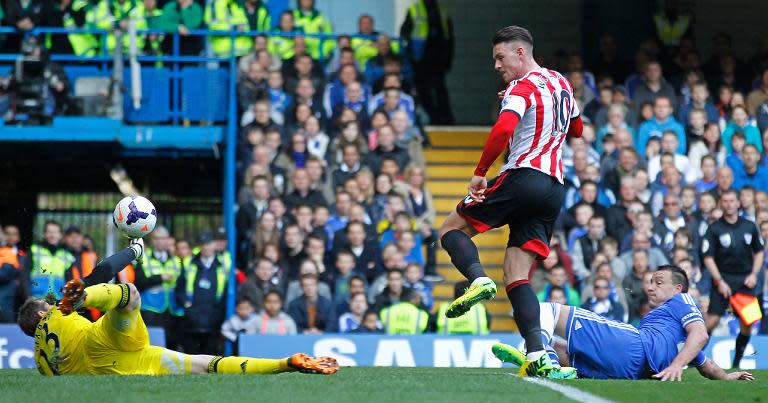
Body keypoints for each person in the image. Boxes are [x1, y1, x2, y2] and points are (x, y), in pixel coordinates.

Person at [438, 26, 582, 378]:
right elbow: (577, 130)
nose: (496, 65)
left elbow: (503, 129)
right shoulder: (561, 83)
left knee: (450, 229)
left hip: (523, 176)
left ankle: (475, 280)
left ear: (521, 54)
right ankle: (539, 353)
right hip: (553, 189)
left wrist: (480, 170)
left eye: (500, 58)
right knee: (517, 275)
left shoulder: (522, 86)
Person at [17, 241, 337, 376]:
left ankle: (285, 363)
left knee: (198, 365)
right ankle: (86, 298)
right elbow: (102, 271)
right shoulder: (57, 311)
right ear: (43, 311)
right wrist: (133, 250)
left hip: (119, 367)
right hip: (102, 342)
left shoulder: (40, 362)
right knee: (128, 294)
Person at [492, 265, 753, 381]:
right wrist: (728, 378)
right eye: (650, 282)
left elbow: (701, 334)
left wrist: (675, 366)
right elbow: (707, 366)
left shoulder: (683, 299)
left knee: (548, 310)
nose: (651, 288)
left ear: (678, 287)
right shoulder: (677, 337)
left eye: (658, 282)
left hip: (633, 346)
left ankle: (534, 352)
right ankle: (540, 354)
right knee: (563, 353)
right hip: (629, 371)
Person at [700, 189, 764, 368]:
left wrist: (753, 274)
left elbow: (759, 252)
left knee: (748, 321)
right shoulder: (714, 229)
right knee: (711, 321)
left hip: (745, 281)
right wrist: (719, 280)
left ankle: (737, 362)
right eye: (725, 201)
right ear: (721, 204)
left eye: (732, 201)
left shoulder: (749, 226)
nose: (729, 204)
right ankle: (693, 360)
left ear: (738, 203)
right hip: (723, 280)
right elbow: (708, 257)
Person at [400, 0, 454, 124]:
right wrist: (410, 58)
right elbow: (405, 33)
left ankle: (445, 119)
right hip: (420, 59)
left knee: (439, 90)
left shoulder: (442, 11)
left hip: (438, 58)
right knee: (423, 90)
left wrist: (448, 58)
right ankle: (433, 117)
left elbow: (449, 37)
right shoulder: (415, 9)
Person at [175, 233, 228, 355]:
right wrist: (186, 305)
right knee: (193, 355)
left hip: (214, 316)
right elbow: (180, 287)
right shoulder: (189, 263)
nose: (206, 247)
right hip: (192, 317)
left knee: (211, 355)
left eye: (209, 244)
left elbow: (226, 291)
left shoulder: (223, 264)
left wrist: (219, 312)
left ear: (214, 245)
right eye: (203, 244)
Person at [134, 226, 184, 351]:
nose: (160, 241)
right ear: (152, 240)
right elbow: (139, 282)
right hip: (150, 309)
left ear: (168, 240)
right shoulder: (143, 259)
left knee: (171, 345)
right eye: (157, 238)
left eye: (164, 238)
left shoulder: (176, 260)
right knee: (152, 346)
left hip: (171, 310)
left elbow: (181, 285)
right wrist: (160, 277)